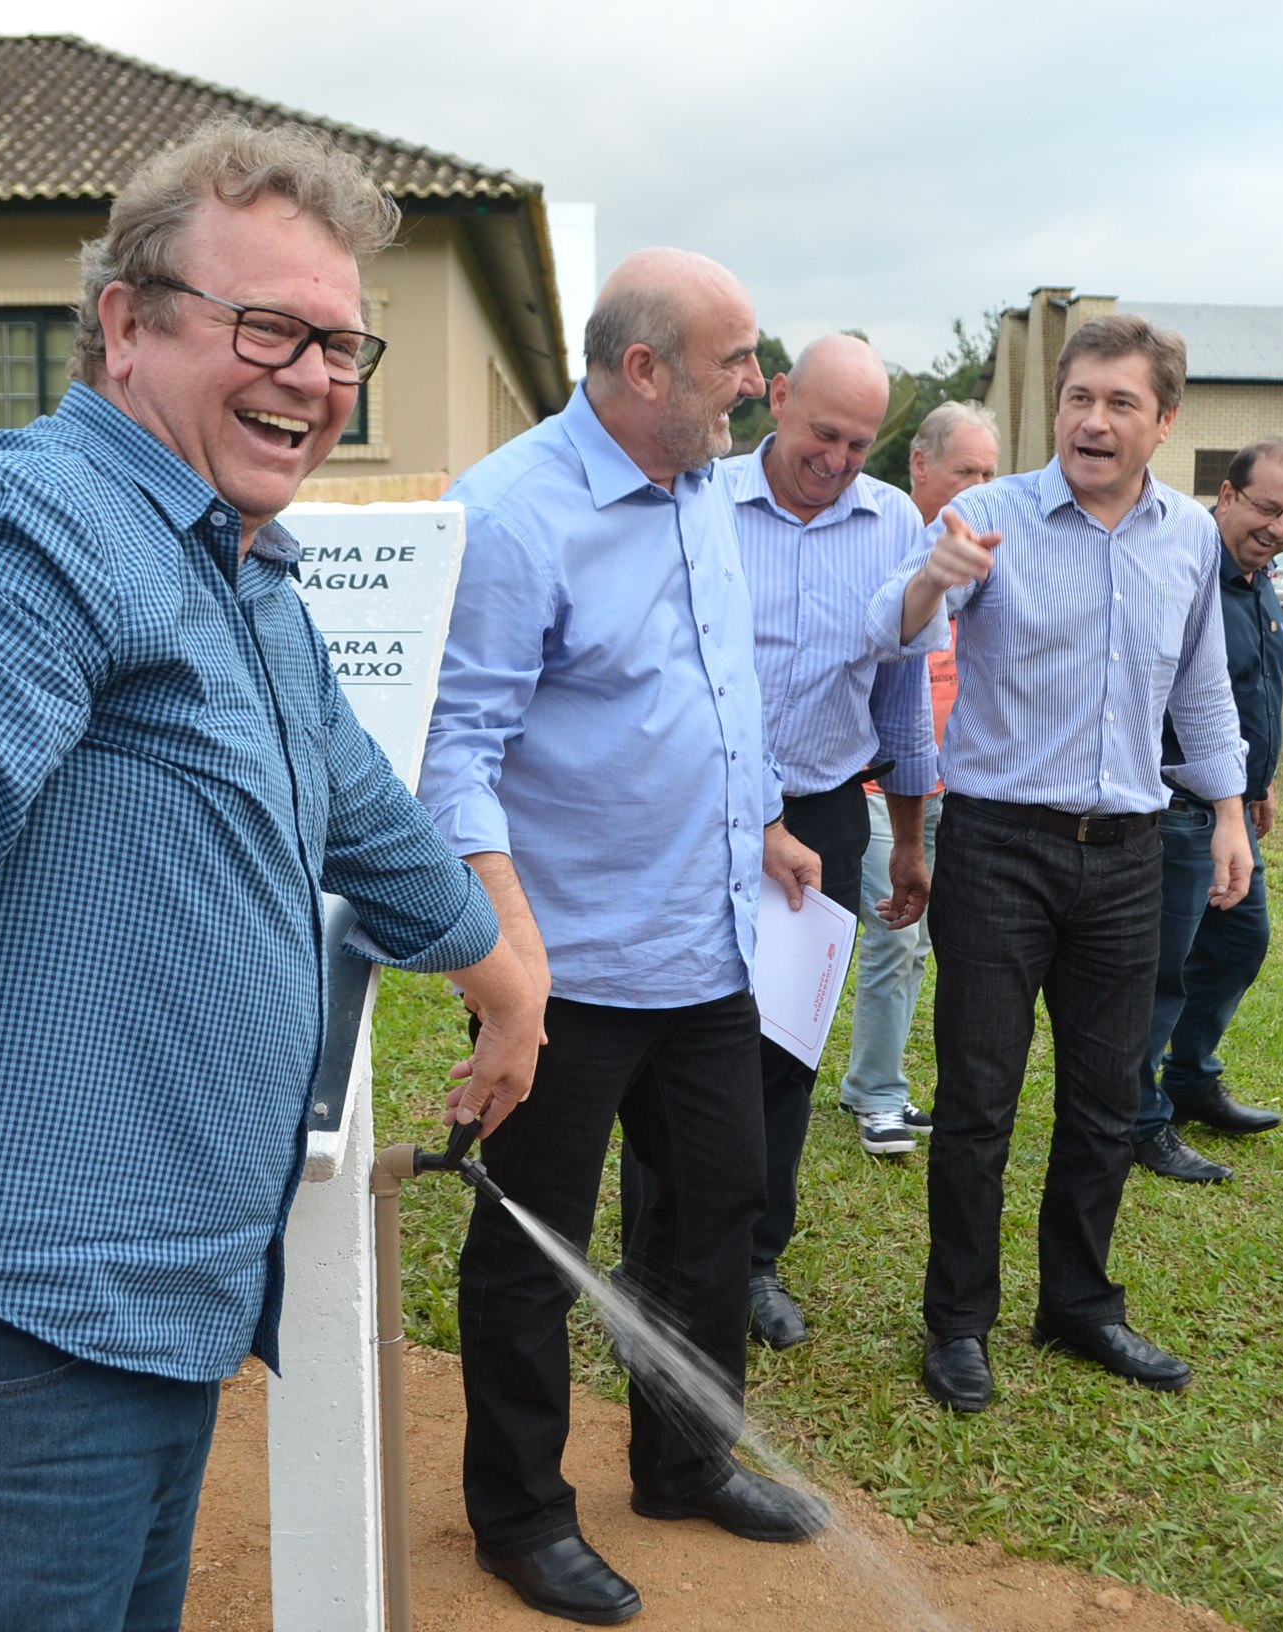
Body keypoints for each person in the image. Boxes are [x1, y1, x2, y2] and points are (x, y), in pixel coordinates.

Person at [0, 121, 546, 1631]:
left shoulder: (233, 565)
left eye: (342, 345)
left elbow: (352, 802)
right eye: (269, 328)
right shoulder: (33, 527)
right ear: (125, 324)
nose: (314, 377)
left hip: (132, 1321)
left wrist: (501, 977)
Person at [421, 247, 830, 1627]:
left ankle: (684, 1461)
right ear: (643, 368)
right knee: (537, 1247)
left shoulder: (702, 481)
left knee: (715, 1214)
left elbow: (716, 688)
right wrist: (507, 974)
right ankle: (522, 1517)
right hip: (566, 972)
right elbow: (456, 755)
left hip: (709, 951)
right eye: (735, 362)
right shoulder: (513, 514)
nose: (757, 387)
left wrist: (763, 818)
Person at [867, 314, 1251, 1408]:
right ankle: (958, 1324)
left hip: (1129, 857)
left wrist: (1226, 812)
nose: (1093, 420)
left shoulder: (1187, 539)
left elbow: (1200, 690)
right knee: (979, 1101)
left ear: (1163, 422)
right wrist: (930, 581)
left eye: (1120, 402)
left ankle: (1080, 1307)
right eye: (1079, 397)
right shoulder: (983, 518)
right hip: (997, 849)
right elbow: (891, 636)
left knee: (1100, 1106)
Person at [624, 333, 937, 1354]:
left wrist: (908, 832)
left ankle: (753, 1262)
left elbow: (900, 693)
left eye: (859, 443)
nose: (840, 459)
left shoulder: (891, 521)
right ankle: (647, 1262)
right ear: (781, 397)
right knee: (666, 1036)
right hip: (698, 817)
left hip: (827, 813)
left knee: (785, 1051)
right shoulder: (699, 500)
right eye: (823, 434)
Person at [1130, 439, 1283, 1185]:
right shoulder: (1189, 569)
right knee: (1161, 973)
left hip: (1232, 811)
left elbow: (1255, 690)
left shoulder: (1257, 580)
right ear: (1228, 496)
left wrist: (1257, 785)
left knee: (1240, 945)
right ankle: (1138, 1121)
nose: (1281, 526)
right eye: (1268, 507)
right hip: (1178, 809)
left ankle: (1191, 1078)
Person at [841, 401, 998, 1154]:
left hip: (955, 785)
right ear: (921, 466)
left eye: (991, 472)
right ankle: (877, 1095)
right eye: (967, 470)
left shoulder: (994, 547)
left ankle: (878, 1082)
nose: (980, 485)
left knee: (926, 942)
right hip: (878, 783)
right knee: (893, 936)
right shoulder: (882, 540)